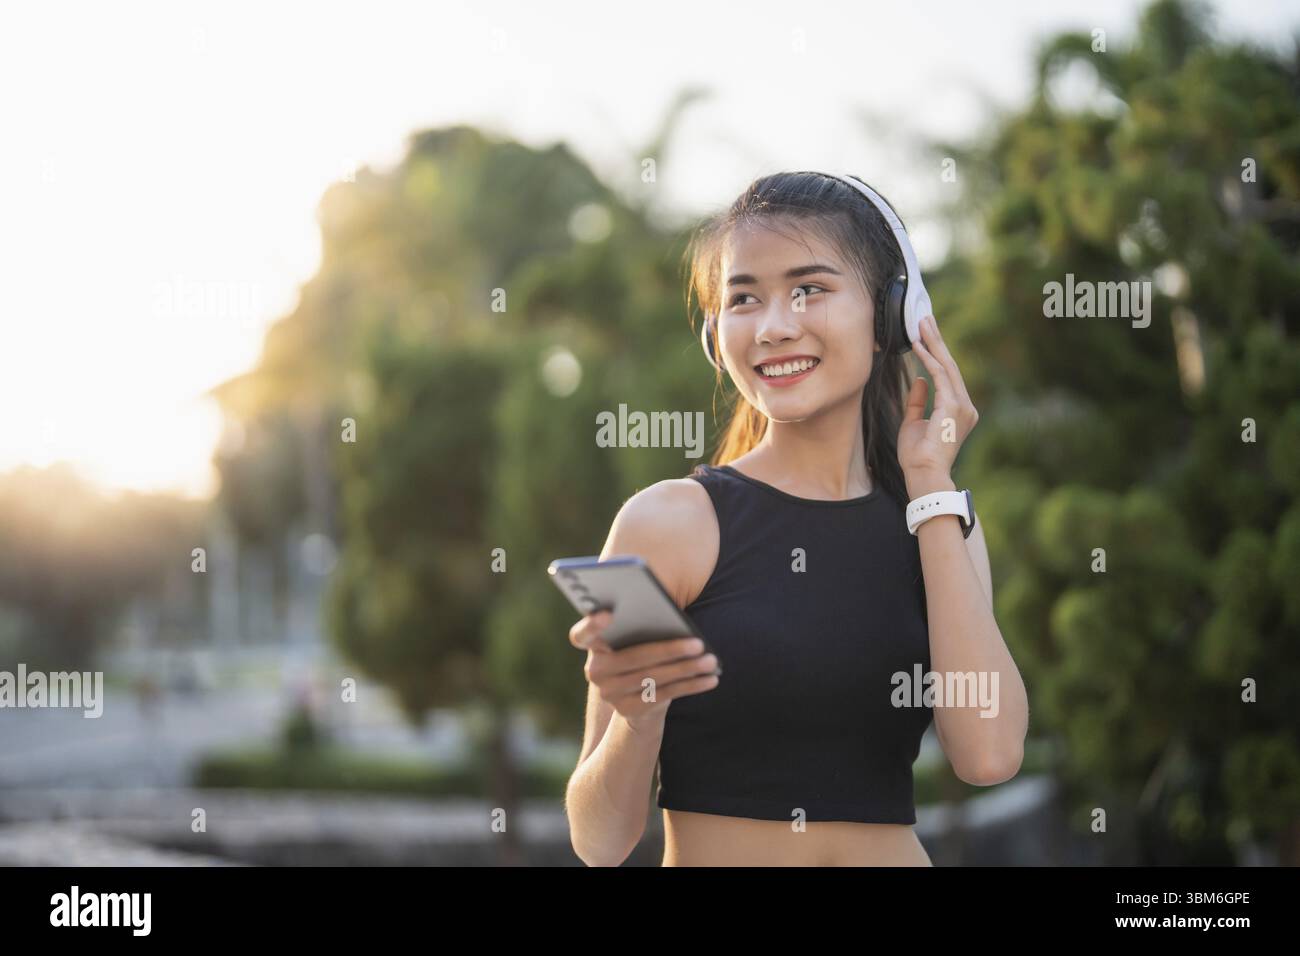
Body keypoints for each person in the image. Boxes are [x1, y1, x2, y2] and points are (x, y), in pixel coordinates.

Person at [564, 170, 1029, 866]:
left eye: (808, 289)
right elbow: (599, 843)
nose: (776, 326)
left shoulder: (938, 522)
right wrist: (640, 716)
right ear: (716, 333)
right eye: (745, 298)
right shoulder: (669, 523)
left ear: (889, 317)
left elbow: (988, 755)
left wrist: (931, 485)